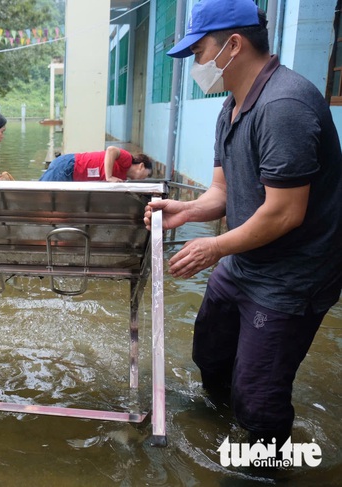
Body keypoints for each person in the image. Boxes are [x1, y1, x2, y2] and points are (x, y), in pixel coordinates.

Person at [144, 0, 342, 448]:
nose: (196, 65)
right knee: (210, 355)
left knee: (260, 399)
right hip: (245, 261)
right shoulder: (231, 107)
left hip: (292, 276)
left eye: (198, 52)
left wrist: (213, 248)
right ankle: (223, 427)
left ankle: (264, 462)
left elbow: (285, 212)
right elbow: (223, 192)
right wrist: (186, 210)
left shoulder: (285, 105)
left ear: (233, 45)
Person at [39, 147, 153, 182]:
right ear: (141, 166)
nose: (145, 178)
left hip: (73, 176)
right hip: (68, 166)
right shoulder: (127, 159)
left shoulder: (121, 177)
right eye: (146, 175)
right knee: (40, 194)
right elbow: (111, 150)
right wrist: (109, 177)